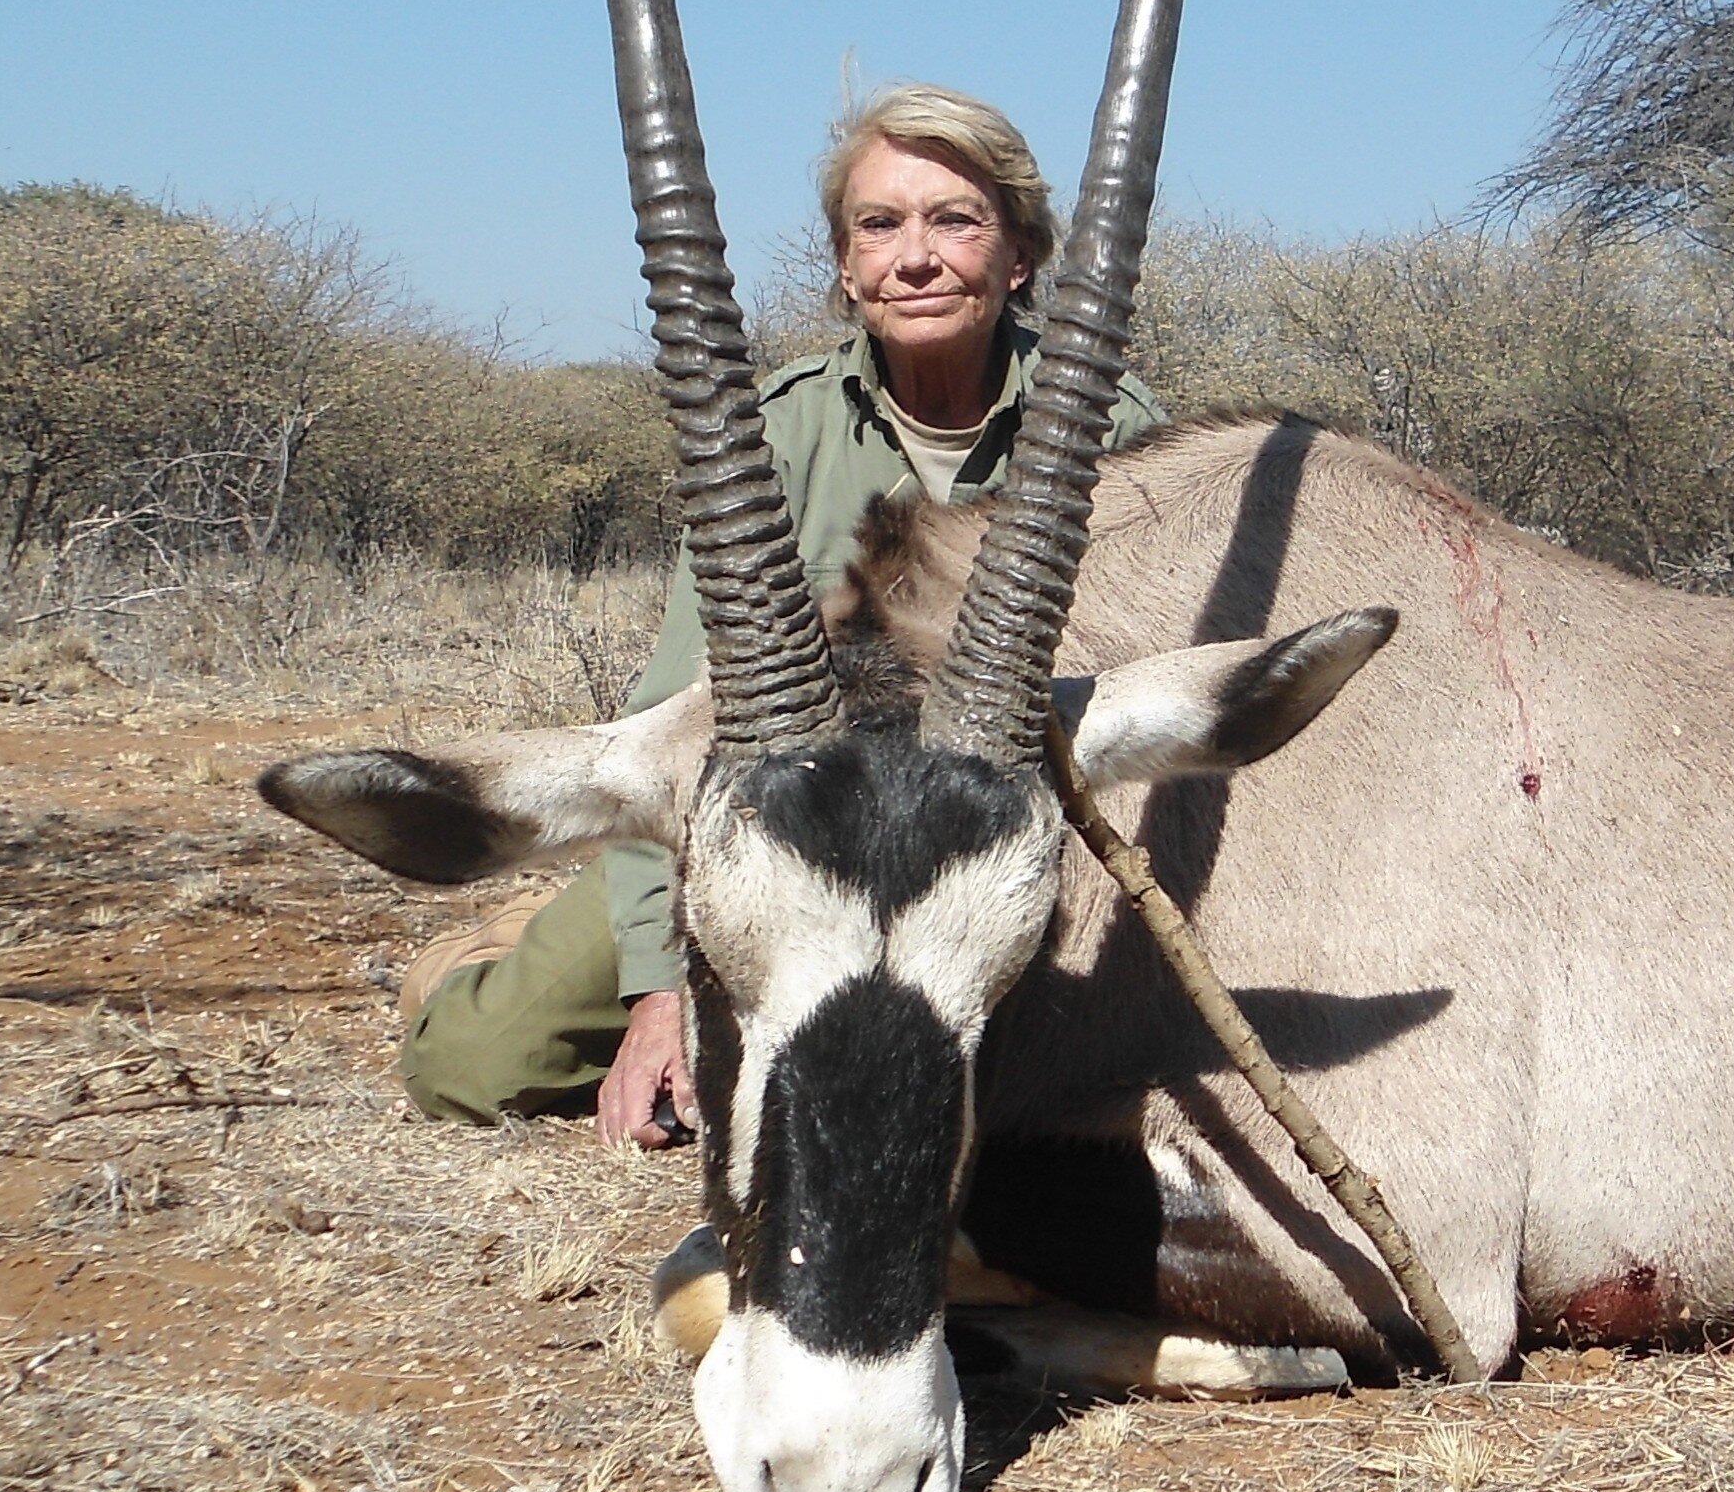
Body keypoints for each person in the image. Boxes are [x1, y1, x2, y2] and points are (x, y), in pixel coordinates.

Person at [392, 82, 1167, 1139]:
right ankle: (498, 947)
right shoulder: (772, 433)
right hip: (780, 849)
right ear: (846, 268)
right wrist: (662, 993)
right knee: (475, 1066)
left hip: (995, 855)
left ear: (1019, 256)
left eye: (956, 220)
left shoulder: (1116, 431)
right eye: (880, 225)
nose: (917, 256)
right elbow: (674, 710)